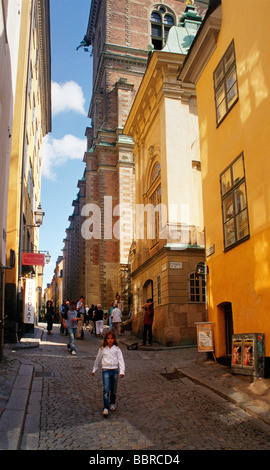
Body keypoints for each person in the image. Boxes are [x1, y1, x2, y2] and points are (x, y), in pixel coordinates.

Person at [92, 331, 125, 416]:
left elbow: (121, 360)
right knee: (106, 389)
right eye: (108, 338)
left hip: (114, 370)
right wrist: (94, 369)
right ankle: (106, 407)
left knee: (113, 389)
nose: (110, 340)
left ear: (114, 339)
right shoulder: (102, 349)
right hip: (105, 370)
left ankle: (112, 403)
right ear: (106, 339)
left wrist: (122, 371)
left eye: (111, 338)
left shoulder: (117, 349)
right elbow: (98, 359)